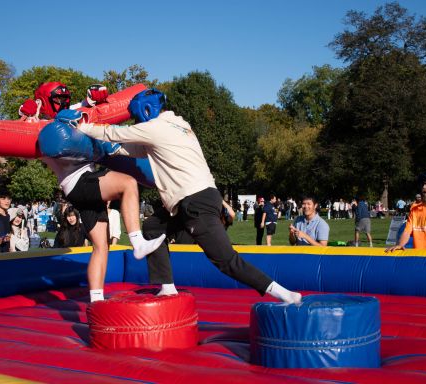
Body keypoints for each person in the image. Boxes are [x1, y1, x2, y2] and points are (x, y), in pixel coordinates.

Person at [76, 88, 302, 304]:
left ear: (146, 112)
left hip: (195, 203)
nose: (136, 124)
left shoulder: (155, 127)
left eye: (137, 119)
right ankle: (167, 287)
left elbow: (114, 133)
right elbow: (135, 149)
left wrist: (84, 127)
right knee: (154, 227)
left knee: (226, 261)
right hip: (197, 199)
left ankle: (284, 293)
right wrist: (107, 150)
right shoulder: (180, 124)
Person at [38, 89, 165, 303]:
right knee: (128, 183)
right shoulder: (50, 133)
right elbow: (56, 128)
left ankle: (96, 298)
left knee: (101, 246)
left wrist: (88, 102)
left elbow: (78, 116)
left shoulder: (61, 130)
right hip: (80, 182)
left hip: (78, 190)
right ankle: (138, 242)